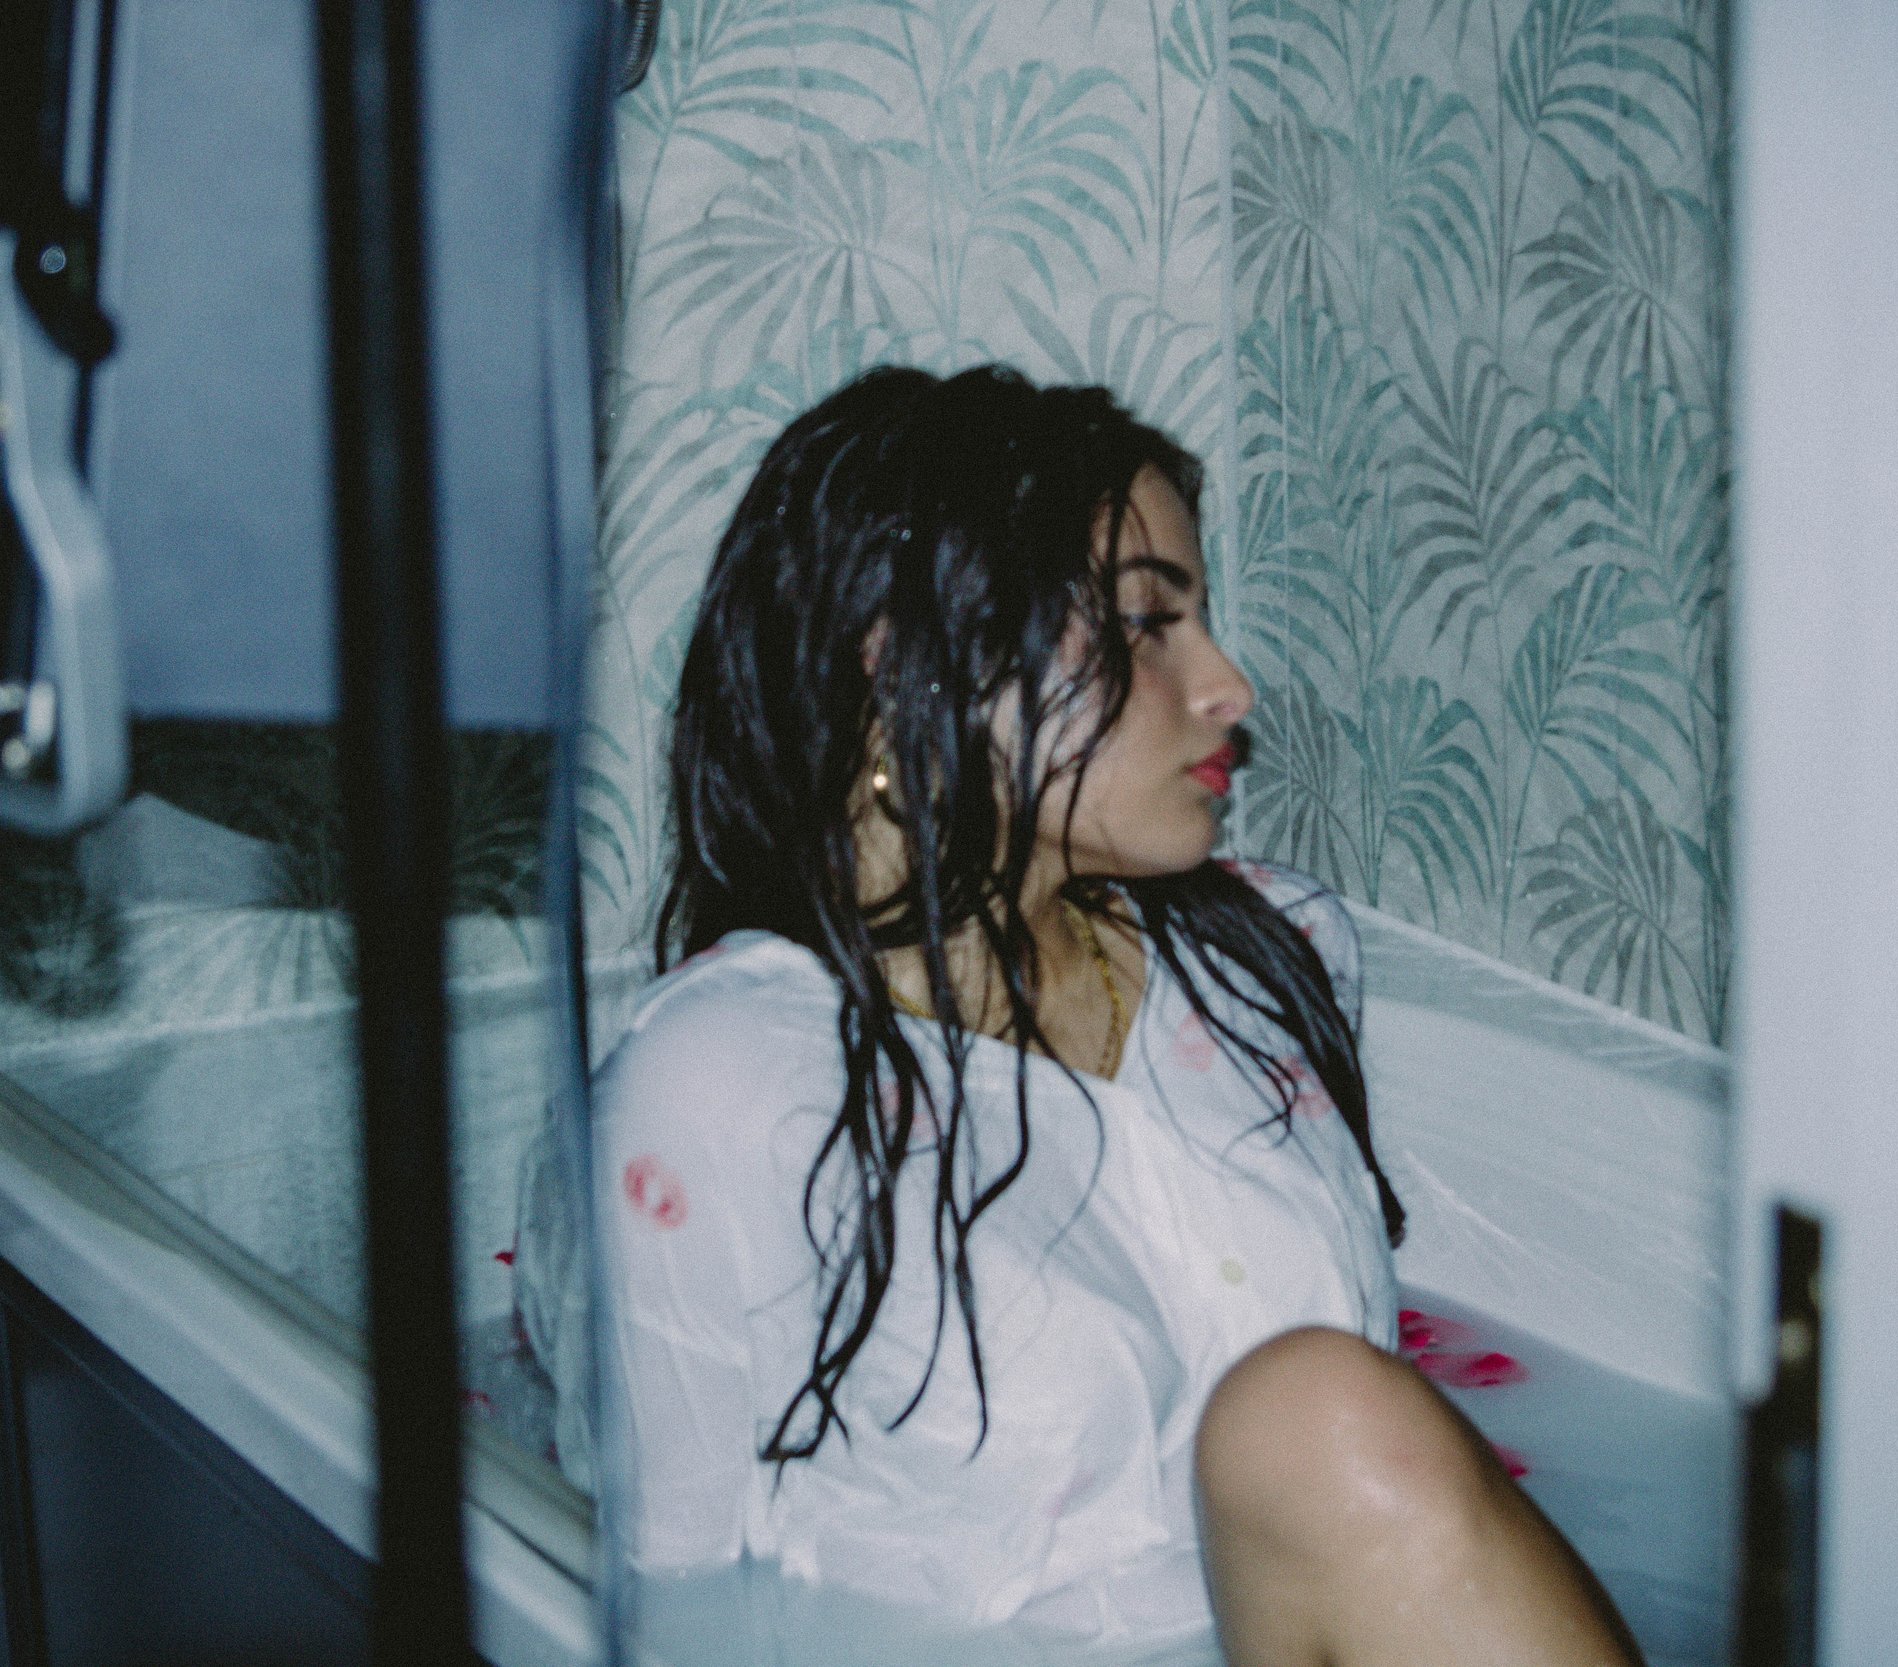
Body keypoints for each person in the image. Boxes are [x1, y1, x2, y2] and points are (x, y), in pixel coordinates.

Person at [596, 364, 1641, 1666]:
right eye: (1148, 624)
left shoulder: (1274, 953)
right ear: (905, 669)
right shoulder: (726, 1082)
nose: (1228, 687)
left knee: (1316, 1416)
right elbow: (668, 1602)